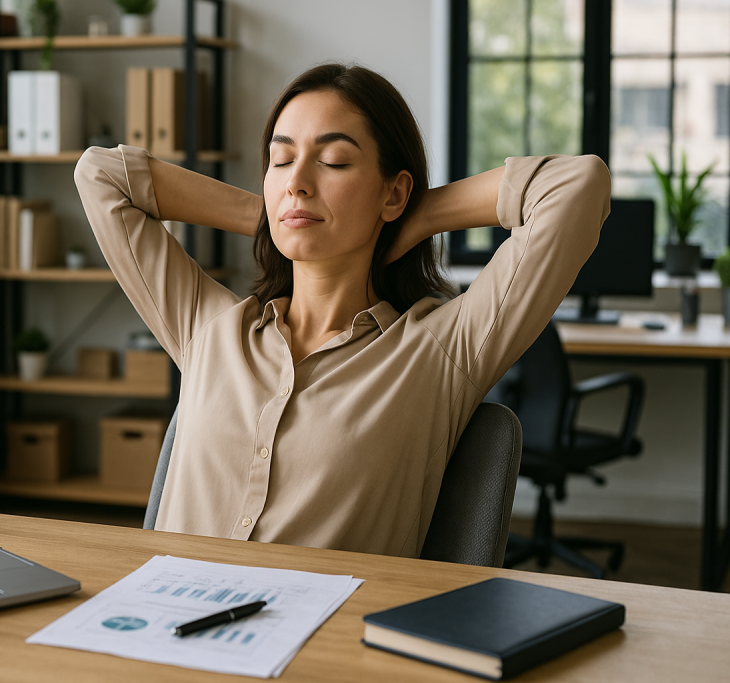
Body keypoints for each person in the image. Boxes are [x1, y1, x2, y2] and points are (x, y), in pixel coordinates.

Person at [74, 63, 609, 557]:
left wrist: (414, 215)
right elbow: (102, 176)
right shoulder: (210, 329)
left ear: (393, 192)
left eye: (333, 161)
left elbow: (575, 187)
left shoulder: (440, 352)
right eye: (280, 160)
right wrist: (268, 215)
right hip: (159, 633)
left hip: (321, 650)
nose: (297, 181)